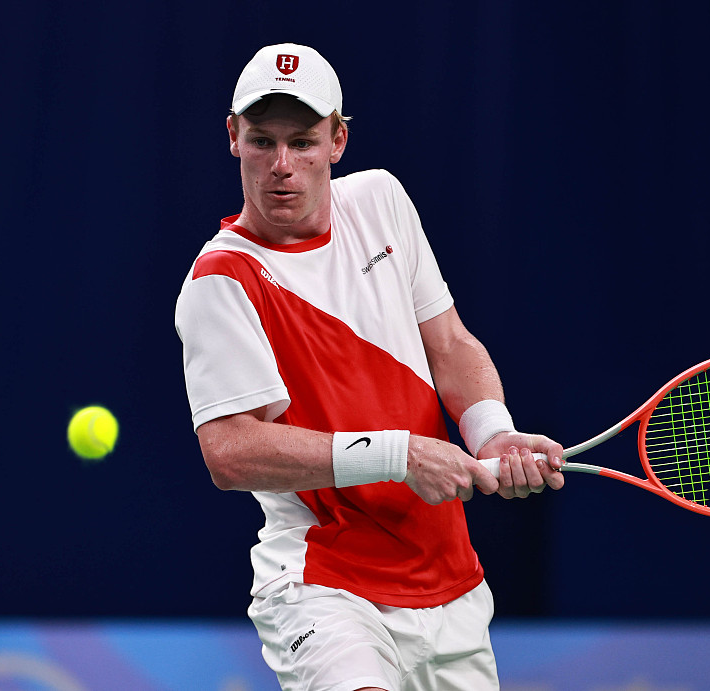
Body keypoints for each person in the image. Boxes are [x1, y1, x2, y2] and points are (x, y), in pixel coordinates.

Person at [175, 42, 565, 691]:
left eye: (302, 141)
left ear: (337, 140)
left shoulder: (381, 202)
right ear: (232, 137)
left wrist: (493, 432)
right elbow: (229, 451)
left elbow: (451, 344)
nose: (281, 166)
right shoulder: (222, 280)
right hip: (322, 582)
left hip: (449, 584)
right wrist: (398, 454)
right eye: (262, 141)